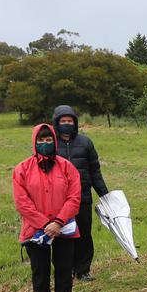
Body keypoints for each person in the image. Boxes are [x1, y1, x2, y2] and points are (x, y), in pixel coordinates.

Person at [12, 123, 83, 292]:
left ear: (55, 141)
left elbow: (74, 197)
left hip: (64, 227)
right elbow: (22, 202)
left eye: (48, 140)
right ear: (35, 143)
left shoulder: (67, 167)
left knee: (64, 270)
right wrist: (45, 224)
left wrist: (58, 222)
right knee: (40, 272)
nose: (45, 144)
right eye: (41, 141)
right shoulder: (22, 169)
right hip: (36, 231)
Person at [52, 105, 109, 282]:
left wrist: (105, 195)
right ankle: (65, 270)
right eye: (63, 121)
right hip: (59, 201)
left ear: (75, 123)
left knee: (84, 234)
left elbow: (95, 171)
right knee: (62, 236)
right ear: (57, 123)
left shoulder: (85, 143)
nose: (67, 124)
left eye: (70, 121)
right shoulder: (50, 143)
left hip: (82, 198)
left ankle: (83, 270)